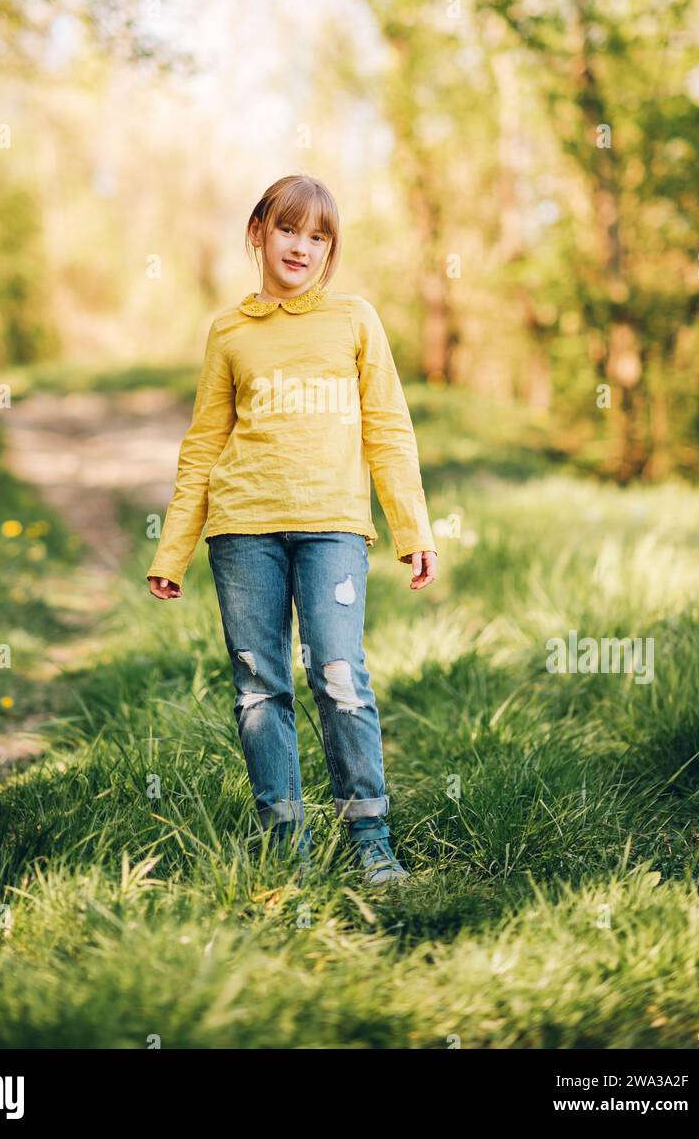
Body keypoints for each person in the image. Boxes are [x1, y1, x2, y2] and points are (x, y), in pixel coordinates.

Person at [147, 173, 437, 885]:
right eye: (287, 230)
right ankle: (285, 846)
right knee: (257, 687)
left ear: (330, 249)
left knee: (339, 676)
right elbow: (203, 445)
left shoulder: (355, 322)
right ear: (257, 233)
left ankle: (369, 838)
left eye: (318, 236)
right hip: (240, 531)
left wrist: (412, 529)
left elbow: (388, 430)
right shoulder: (229, 333)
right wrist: (172, 548)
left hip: (332, 529)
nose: (301, 247)